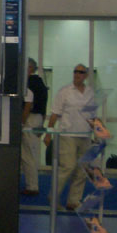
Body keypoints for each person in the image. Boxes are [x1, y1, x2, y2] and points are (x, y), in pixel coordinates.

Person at [43, 63, 97, 210]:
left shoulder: (90, 93)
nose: (77, 74)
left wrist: (96, 133)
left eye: (80, 72)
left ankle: (74, 201)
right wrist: (48, 133)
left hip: (85, 135)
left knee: (82, 169)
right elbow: (54, 114)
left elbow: (92, 116)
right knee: (67, 167)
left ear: (86, 75)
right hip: (67, 135)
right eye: (75, 71)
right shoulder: (64, 91)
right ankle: (53, 197)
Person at [20, 58, 48, 196]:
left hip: (29, 119)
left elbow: (28, 105)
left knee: (27, 154)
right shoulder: (41, 84)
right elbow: (44, 106)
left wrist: (21, 122)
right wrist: (42, 124)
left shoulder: (28, 83)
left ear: (29, 68)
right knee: (33, 152)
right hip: (38, 119)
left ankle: (32, 186)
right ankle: (33, 183)